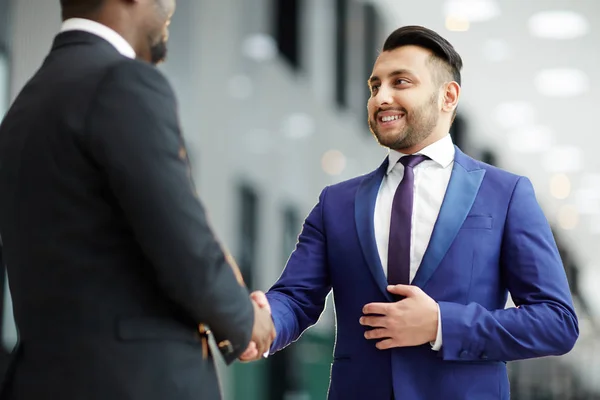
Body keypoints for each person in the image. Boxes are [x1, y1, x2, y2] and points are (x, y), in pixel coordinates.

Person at [242, 25, 579, 399]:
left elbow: (556, 322)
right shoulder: (336, 203)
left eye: (400, 82)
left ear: (447, 96)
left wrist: (441, 324)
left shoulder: (506, 194)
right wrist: (264, 322)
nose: (380, 97)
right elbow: (295, 297)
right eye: (374, 87)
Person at [0, 0, 275, 399]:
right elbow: (183, 240)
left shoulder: (22, 109)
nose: (171, 8)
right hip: (136, 382)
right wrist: (244, 318)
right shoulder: (122, 82)